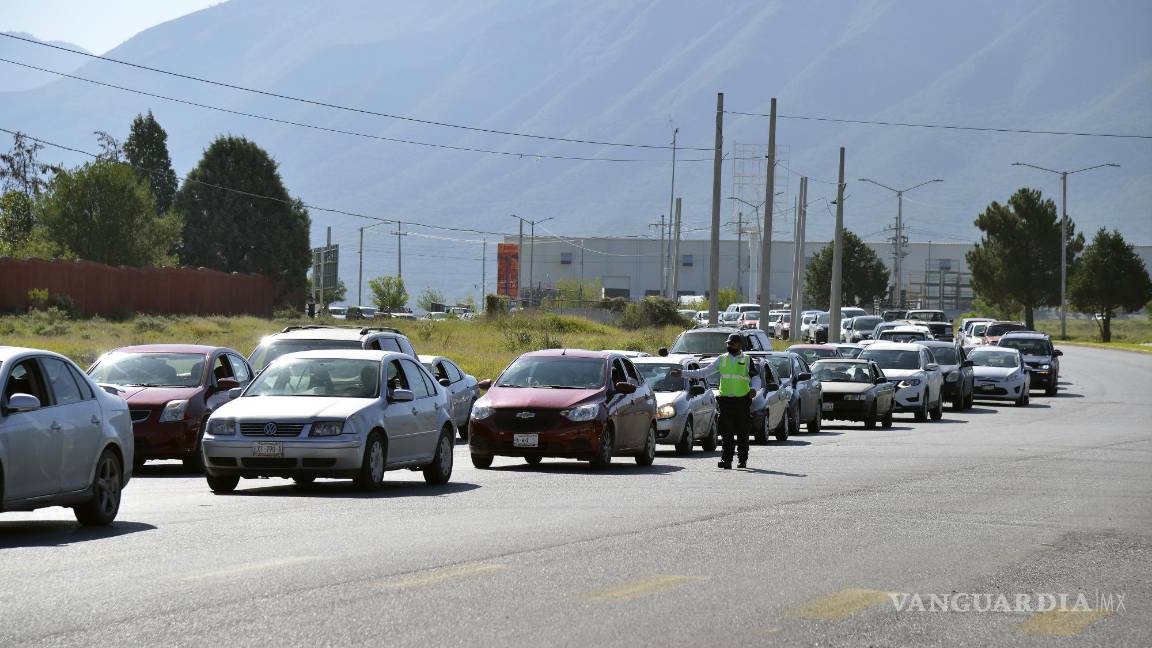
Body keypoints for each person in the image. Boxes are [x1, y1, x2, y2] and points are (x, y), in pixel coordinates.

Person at [673, 334, 761, 469]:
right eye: (728, 344)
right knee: (727, 433)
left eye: (732, 344)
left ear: (739, 345)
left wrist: (754, 389)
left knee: (743, 432)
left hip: (742, 401)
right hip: (725, 401)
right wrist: (683, 373)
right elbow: (703, 372)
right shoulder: (722, 359)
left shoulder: (747, 360)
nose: (729, 346)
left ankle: (742, 460)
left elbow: (756, 378)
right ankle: (726, 460)